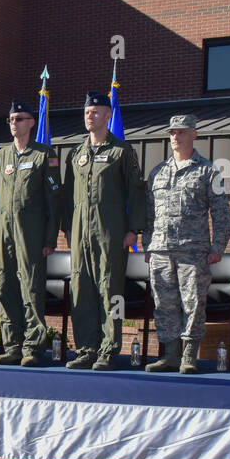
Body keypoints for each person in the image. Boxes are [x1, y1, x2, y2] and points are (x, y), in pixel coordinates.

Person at [63, 92, 146, 370]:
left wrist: (134, 228)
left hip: (110, 232)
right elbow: (66, 195)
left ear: (108, 115)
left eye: (96, 111)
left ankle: (109, 350)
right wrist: (66, 228)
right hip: (80, 233)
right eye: (87, 112)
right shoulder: (76, 154)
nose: (90, 116)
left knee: (111, 291)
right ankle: (86, 348)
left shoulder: (122, 151)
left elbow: (135, 192)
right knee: (81, 288)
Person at [143, 115, 230, 374]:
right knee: (164, 302)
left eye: (181, 132)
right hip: (160, 249)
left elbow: (221, 212)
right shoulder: (158, 171)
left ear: (194, 134)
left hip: (193, 249)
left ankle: (189, 354)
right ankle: (170, 354)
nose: (175, 137)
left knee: (193, 302)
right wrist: (147, 244)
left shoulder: (207, 170)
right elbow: (150, 214)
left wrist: (218, 247)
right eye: (172, 132)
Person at [0, 101, 62, 367]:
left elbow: (54, 201)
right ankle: (11, 346)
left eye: (20, 118)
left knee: (30, 289)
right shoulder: (1, 157)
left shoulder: (44, 155)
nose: (14, 123)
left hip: (30, 234)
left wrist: (49, 238)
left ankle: (32, 347)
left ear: (32, 122)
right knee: (4, 287)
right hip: (4, 234)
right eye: (11, 119)